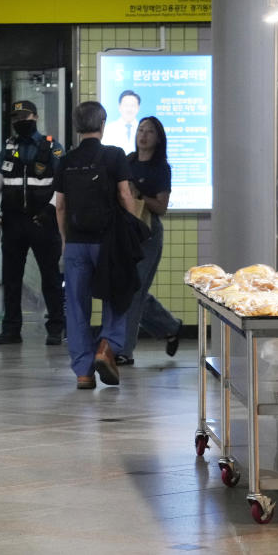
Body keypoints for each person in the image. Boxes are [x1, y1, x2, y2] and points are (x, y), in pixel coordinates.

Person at [53, 101, 137, 389]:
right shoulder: (114, 156)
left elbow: (60, 206)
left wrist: (65, 240)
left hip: (76, 242)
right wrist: (132, 227)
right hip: (108, 242)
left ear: (77, 128)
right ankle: (107, 346)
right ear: (102, 125)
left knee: (76, 306)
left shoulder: (66, 160)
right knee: (117, 295)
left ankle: (83, 372)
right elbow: (125, 195)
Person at [0, 100, 65, 345]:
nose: (20, 121)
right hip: (13, 223)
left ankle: (55, 328)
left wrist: (50, 211)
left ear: (35, 117)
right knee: (11, 278)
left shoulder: (51, 147)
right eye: (16, 117)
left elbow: (62, 184)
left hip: (42, 221)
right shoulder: (9, 147)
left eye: (24, 116)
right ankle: (11, 329)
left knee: (50, 277)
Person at [117, 116, 183, 365]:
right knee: (130, 289)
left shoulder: (160, 167)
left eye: (150, 132)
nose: (143, 135)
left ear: (158, 138)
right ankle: (170, 326)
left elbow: (161, 206)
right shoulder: (127, 161)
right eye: (140, 130)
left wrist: (139, 193)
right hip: (125, 231)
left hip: (147, 233)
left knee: (134, 291)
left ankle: (124, 351)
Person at [101, 90, 141, 154]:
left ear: (138, 108)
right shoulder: (108, 129)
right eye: (126, 105)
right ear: (119, 107)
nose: (129, 109)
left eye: (132, 105)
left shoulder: (142, 129)